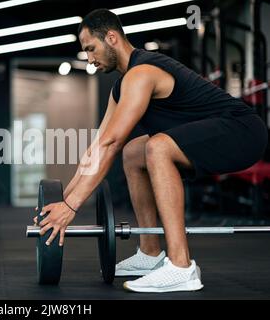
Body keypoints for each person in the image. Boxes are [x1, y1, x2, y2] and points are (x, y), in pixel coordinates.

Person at [34, 8, 268, 293]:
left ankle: (182, 268)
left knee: (157, 147)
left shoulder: (143, 72)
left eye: (91, 49)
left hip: (243, 131)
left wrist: (71, 209)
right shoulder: (120, 88)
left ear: (111, 37)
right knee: (134, 151)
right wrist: (61, 201)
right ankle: (150, 254)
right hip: (214, 135)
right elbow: (97, 148)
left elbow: (111, 143)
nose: (90, 60)